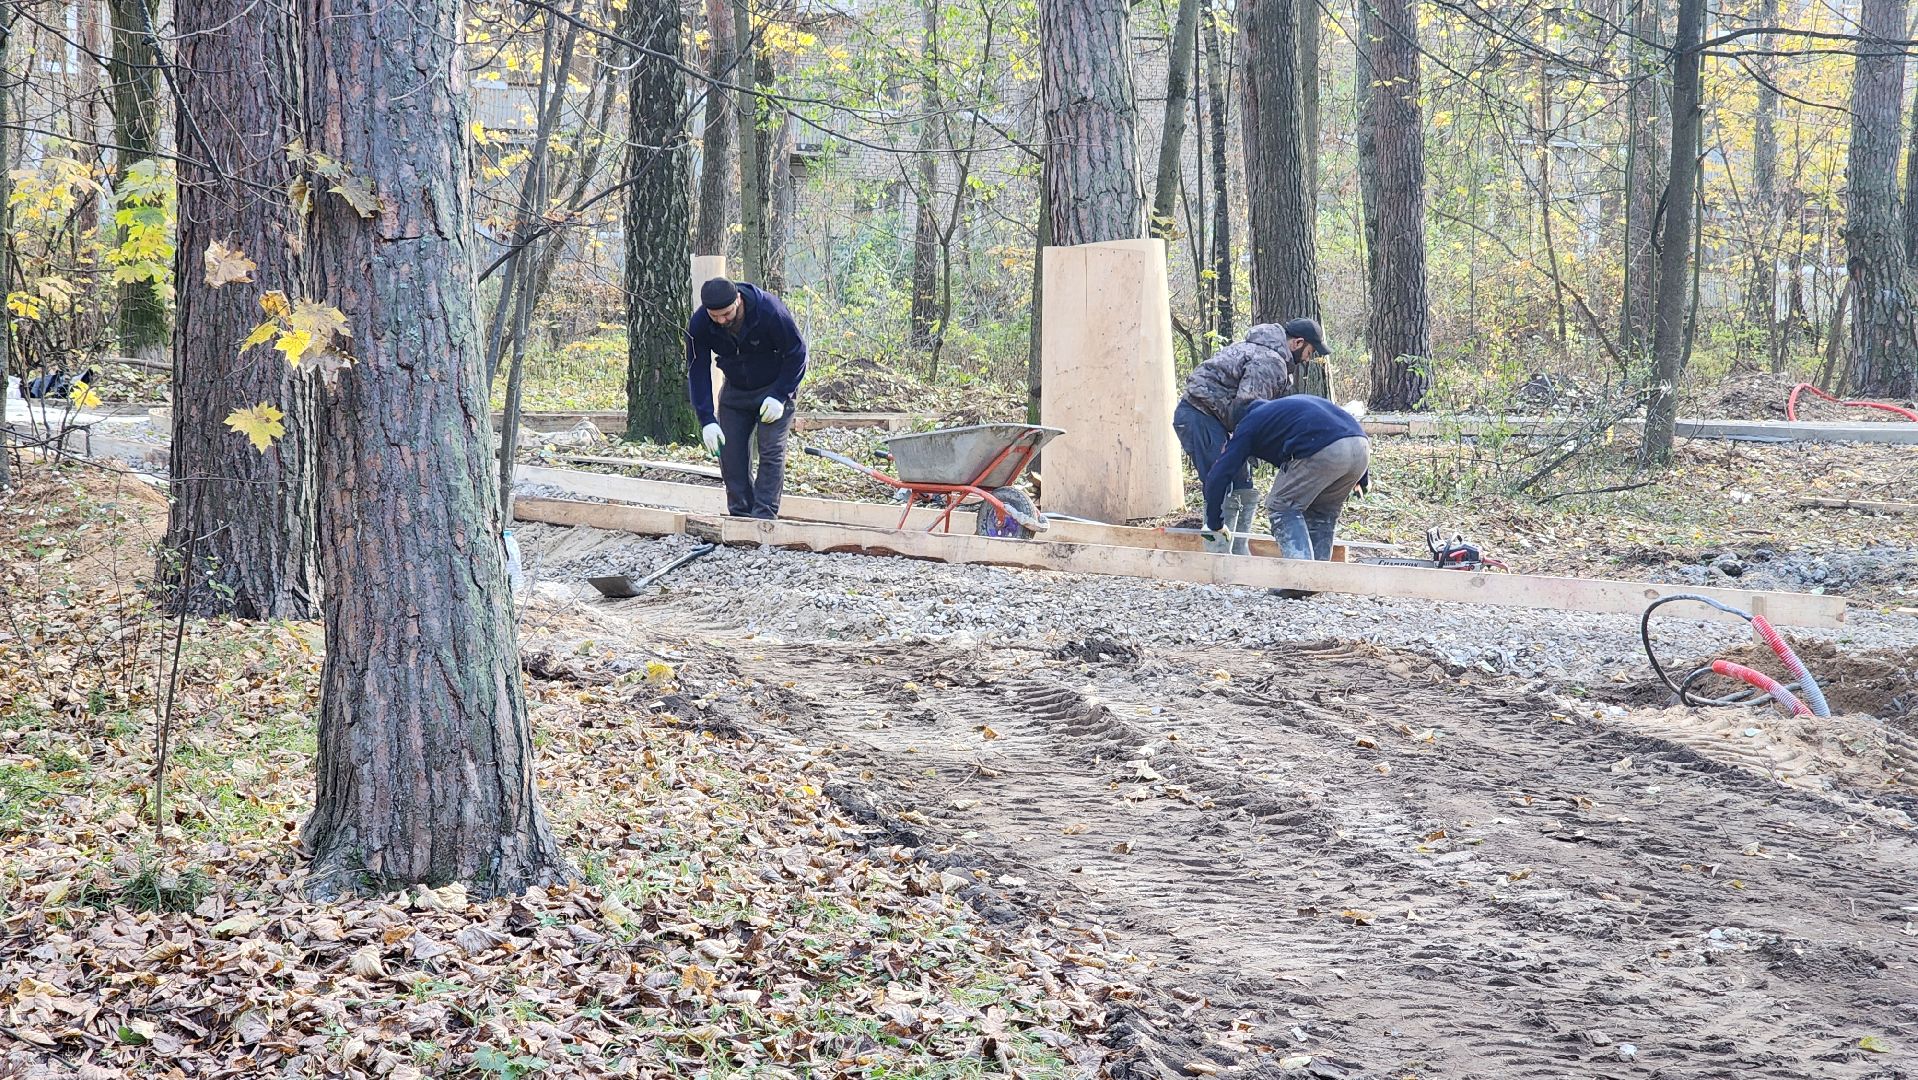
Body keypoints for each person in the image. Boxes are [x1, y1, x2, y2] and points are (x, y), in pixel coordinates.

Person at [1173, 319, 1332, 554]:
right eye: (1310, 351)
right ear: (1298, 343)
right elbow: (1249, 408)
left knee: (1243, 485)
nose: (1308, 359)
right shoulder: (1269, 361)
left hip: (1219, 419)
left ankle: (1238, 551)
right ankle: (1217, 556)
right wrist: (1254, 446)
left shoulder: (1268, 356)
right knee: (1221, 481)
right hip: (1199, 414)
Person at [1199, 394, 1369, 573]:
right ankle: (1318, 578)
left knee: (1281, 506)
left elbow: (1217, 476)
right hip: (1361, 448)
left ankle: (1300, 576)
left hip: (1324, 451)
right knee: (1321, 514)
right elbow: (1343, 427)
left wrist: (1214, 523)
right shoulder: (1285, 410)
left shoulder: (1249, 424)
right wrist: (1363, 478)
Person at [687, 278, 808, 518]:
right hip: (736, 390)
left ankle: (764, 516)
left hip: (774, 387)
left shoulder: (769, 311)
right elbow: (697, 369)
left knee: (770, 450)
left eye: (727, 314)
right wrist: (706, 419)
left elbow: (798, 353)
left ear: (738, 300)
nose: (722, 321)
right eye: (715, 316)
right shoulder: (700, 323)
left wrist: (780, 395)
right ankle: (740, 514)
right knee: (730, 453)